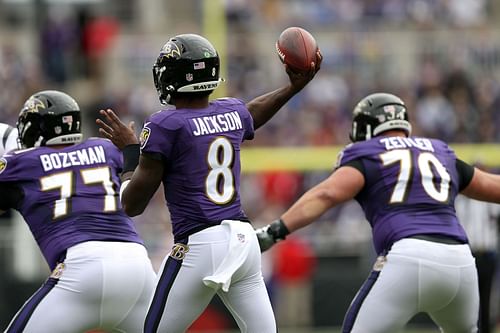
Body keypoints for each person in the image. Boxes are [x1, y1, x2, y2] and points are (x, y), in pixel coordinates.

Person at [96, 33, 321, 333]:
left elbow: (132, 204)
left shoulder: (165, 124)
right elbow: (252, 112)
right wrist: (292, 89)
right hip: (244, 240)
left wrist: (129, 152)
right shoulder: (231, 111)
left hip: (199, 244)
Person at [256, 92, 500, 333]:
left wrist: (276, 230)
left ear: (365, 128)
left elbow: (327, 194)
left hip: (407, 256)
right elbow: (493, 187)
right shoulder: (440, 151)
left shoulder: (369, 153)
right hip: (460, 262)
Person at [1, 90, 156, 333]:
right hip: (138, 266)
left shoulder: (21, 162)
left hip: (82, 269)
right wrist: (131, 151)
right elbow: (134, 179)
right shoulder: (106, 149)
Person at [455, 193, 500, 333]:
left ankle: (485, 329)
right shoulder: (459, 200)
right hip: (466, 255)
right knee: (466, 299)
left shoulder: (491, 201)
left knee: (486, 298)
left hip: (487, 254)